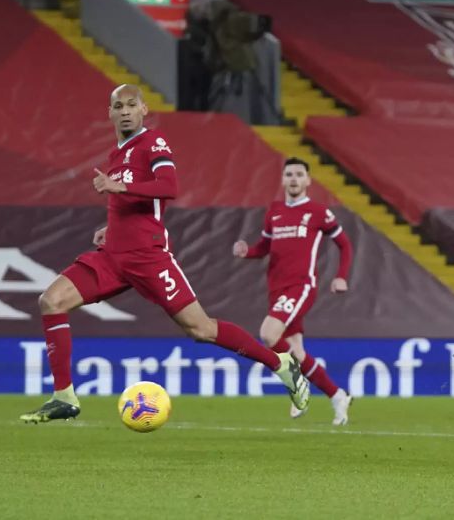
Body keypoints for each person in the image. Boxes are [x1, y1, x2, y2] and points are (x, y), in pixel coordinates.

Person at [20, 84, 309, 423]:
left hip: (148, 256)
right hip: (112, 257)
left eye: (132, 104)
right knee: (51, 301)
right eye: (118, 106)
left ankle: (280, 364)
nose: (125, 110)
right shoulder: (117, 155)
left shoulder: (152, 142)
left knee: (201, 329)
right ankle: (64, 396)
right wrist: (111, 226)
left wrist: (120, 187)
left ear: (144, 109)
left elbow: (168, 187)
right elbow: (132, 203)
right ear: (110, 113)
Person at [233, 157, 354, 425]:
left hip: (301, 286)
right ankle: (337, 396)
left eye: (300, 174)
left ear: (309, 180)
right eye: (289, 174)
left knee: (268, 333)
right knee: (296, 352)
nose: (294, 179)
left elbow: (344, 244)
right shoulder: (274, 211)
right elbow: (264, 247)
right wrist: (247, 252)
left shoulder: (318, 211)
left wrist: (341, 277)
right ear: (283, 179)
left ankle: (297, 383)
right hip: (276, 289)